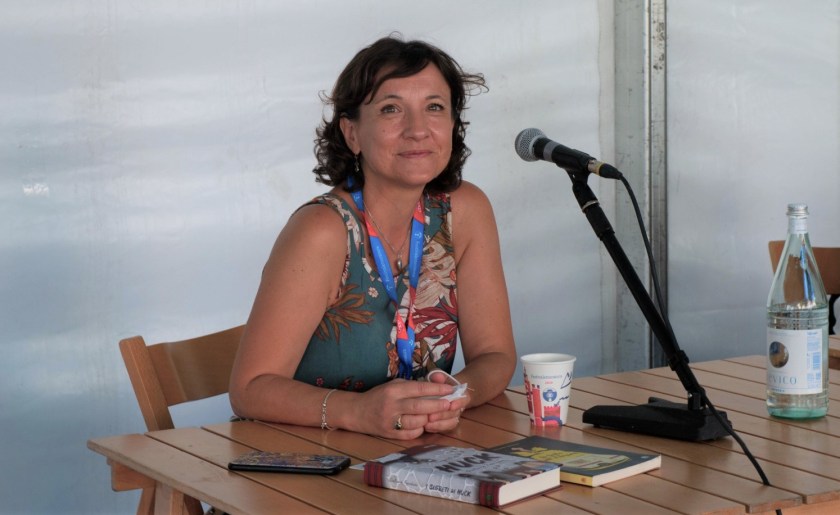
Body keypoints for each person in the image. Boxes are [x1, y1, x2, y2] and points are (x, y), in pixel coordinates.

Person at [229, 34, 516, 440]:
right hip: (306, 460)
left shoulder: (465, 212)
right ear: (352, 133)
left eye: (434, 107)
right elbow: (249, 390)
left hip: (411, 455)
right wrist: (359, 412)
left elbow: (495, 355)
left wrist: (454, 397)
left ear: (453, 124)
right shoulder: (321, 231)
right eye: (390, 109)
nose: (418, 130)